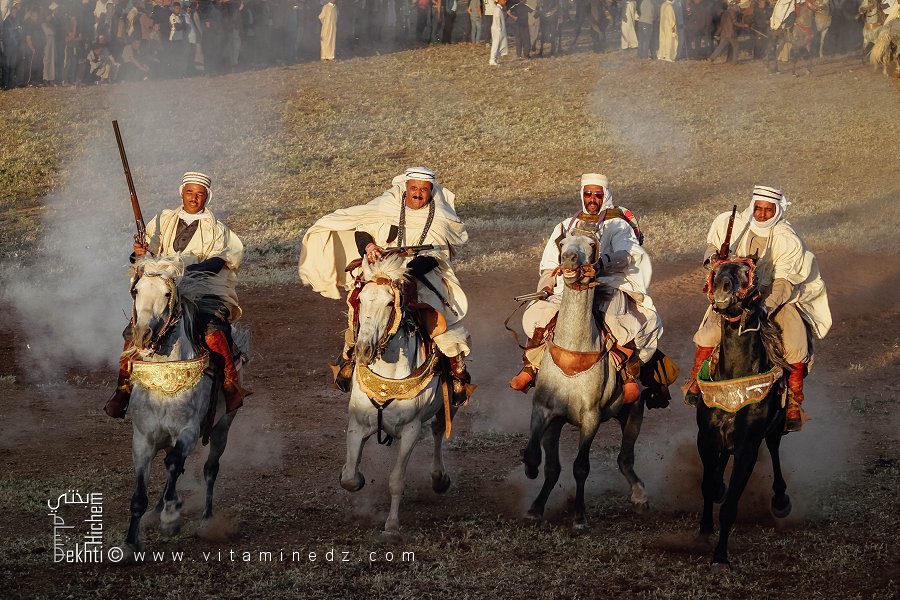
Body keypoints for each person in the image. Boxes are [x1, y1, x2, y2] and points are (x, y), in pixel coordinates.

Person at [299, 167, 474, 406]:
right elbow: (362, 229)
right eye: (414, 188)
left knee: (438, 318)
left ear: (430, 191)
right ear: (406, 188)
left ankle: (456, 374)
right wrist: (370, 247)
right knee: (361, 303)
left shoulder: (440, 216)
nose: (418, 194)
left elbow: (436, 256)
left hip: (421, 275)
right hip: (381, 270)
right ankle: (349, 357)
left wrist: (404, 271)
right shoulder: (386, 205)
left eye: (423, 190)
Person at [509, 174, 669, 406]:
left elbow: (626, 255)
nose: (592, 199)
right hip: (568, 290)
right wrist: (546, 287)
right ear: (582, 195)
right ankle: (531, 367)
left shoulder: (617, 225)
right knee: (541, 316)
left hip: (606, 287)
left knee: (620, 325)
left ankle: (628, 376)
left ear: (605, 196)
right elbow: (550, 264)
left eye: (597, 194)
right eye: (588, 194)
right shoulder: (565, 226)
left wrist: (601, 263)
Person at [683, 186, 832, 432]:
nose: (761, 214)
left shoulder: (787, 238)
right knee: (709, 334)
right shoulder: (733, 223)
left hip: (774, 297)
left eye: (768, 209)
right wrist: (714, 259)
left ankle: (794, 401)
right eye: (758, 208)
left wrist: (763, 308)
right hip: (735, 296)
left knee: (795, 344)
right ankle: (696, 381)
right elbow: (712, 246)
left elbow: (784, 283)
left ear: (777, 210)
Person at [104, 172, 250, 419]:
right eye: (190, 192)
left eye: (200, 194)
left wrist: (179, 271)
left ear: (207, 197)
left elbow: (216, 263)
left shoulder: (218, 230)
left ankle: (229, 383)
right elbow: (142, 259)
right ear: (182, 193)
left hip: (202, 289)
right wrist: (139, 253)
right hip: (163, 287)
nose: (194, 198)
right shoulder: (162, 220)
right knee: (135, 330)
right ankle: (123, 389)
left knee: (214, 329)